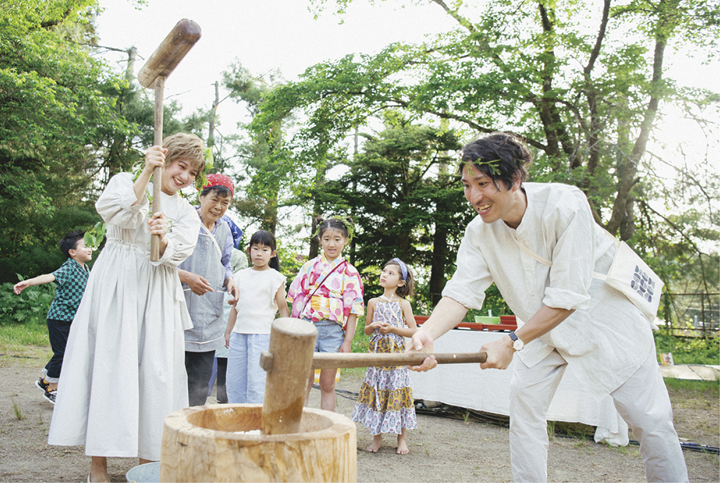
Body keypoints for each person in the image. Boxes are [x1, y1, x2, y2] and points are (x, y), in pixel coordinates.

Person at [410, 133, 688, 482]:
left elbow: (567, 297)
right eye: (467, 185)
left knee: (650, 419)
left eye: (483, 183)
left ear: (515, 179)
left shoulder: (565, 205)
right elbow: (461, 293)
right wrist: (427, 333)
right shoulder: (478, 233)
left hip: (605, 322)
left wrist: (511, 342)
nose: (474, 197)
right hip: (539, 331)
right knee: (524, 407)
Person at [47, 133, 206, 483]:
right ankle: (98, 466)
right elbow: (113, 212)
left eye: (193, 173)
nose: (186, 177)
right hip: (118, 285)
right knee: (109, 367)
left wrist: (163, 236)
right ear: (165, 159)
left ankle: (148, 465)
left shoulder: (185, 212)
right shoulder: (125, 182)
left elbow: (178, 252)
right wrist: (146, 173)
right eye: (182, 166)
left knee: (156, 373)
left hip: (158, 290)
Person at [287, 217, 364, 412]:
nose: (332, 243)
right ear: (320, 240)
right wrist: (293, 331)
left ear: (346, 240)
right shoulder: (309, 267)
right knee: (303, 381)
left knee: (328, 384)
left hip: (333, 331)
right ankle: (298, 424)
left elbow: (353, 311)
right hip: (306, 328)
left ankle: (327, 428)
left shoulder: (350, 272)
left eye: (337, 239)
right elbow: (296, 299)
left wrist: (347, 341)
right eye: (327, 238)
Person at [178, 173, 239, 406]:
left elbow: (226, 263)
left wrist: (230, 280)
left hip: (210, 314)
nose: (219, 207)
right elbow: (162, 262)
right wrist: (186, 276)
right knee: (174, 377)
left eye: (225, 203)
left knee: (201, 381)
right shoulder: (184, 221)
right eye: (215, 199)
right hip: (181, 309)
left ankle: (192, 430)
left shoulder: (225, 229)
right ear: (201, 196)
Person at [13, 230, 93, 404]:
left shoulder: (85, 268)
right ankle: (51, 388)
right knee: (63, 353)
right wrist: (28, 282)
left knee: (68, 352)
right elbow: (49, 276)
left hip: (71, 319)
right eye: (85, 245)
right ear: (72, 252)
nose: (90, 248)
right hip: (59, 319)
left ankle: (44, 381)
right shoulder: (69, 268)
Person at [352, 258, 418, 455]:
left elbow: (413, 330)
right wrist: (372, 327)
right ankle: (377, 438)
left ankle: (402, 439)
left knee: (397, 393)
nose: (384, 274)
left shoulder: (403, 304)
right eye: (384, 271)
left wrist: (394, 329)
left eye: (391, 273)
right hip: (377, 357)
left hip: (396, 358)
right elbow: (365, 330)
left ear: (400, 283)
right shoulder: (373, 302)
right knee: (378, 394)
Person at [224, 230, 289, 403]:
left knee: (257, 382)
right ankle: (237, 421)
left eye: (265, 249)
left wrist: (286, 335)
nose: (259, 253)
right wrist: (228, 332)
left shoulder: (276, 278)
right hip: (239, 335)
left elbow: (283, 308)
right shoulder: (239, 276)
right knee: (234, 381)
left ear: (273, 254)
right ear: (248, 250)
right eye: (255, 248)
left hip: (263, 337)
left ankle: (256, 423)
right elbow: (235, 308)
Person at [209, 248, 248, 404]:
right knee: (221, 359)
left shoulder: (237, 256)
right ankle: (221, 398)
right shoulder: (213, 251)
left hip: (228, 308)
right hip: (217, 307)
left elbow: (239, 285)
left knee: (226, 359)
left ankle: (223, 398)